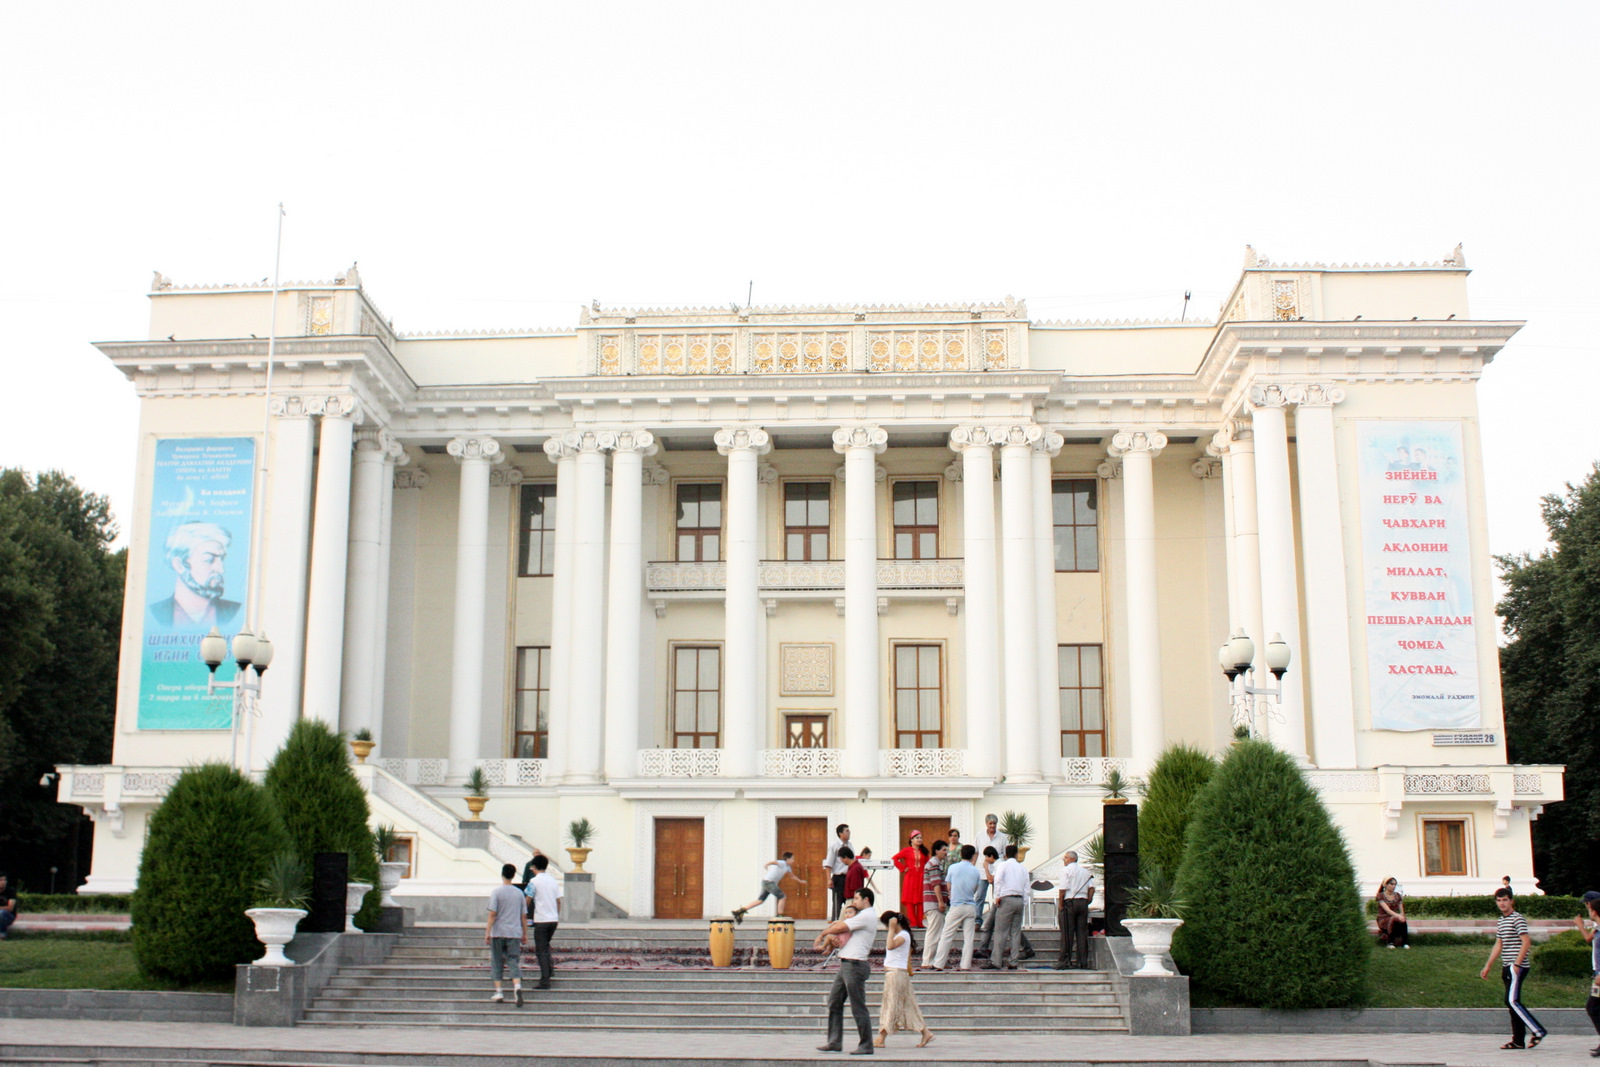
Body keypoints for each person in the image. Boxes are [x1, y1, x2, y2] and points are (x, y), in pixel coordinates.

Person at [814, 887, 878, 1055]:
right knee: (834, 1001)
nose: (854, 902)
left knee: (858, 1006)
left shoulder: (867, 915)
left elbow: (840, 926)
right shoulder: (862, 916)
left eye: (857, 898)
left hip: (855, 965)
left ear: (866, 900)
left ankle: (866, 1044)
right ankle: (834, 1042)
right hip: (847, 964)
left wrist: (822, 934)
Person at [1480, 886, 1546, 1050]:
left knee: (1512, 1001)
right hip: (1507, 966)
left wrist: (1517, 964)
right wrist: (1488, 965)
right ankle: (1518, 1041)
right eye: (1499, 900)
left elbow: (1526, 942)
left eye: (1505, 900)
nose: (1502, 903)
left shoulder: (1518, 918)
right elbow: (1499, 944)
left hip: (1517, 966)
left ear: (1511, 901)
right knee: (1512, 1004)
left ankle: (1538, 1031)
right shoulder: (1502, 920)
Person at [148, 522, 242, 630]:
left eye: (222, 559)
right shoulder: (156, 613)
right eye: (209, 560)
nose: (221, 569)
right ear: (179, 565)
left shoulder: (234, 612)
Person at [875, 910, 934, 1049]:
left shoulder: (903, 935)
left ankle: (881, 1037)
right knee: (908, 1005)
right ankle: (925, 1032)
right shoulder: (902, 935)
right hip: (897, 974)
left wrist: (891, 928)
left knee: (890, 1005)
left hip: (896, 974)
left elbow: (890, 945)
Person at [484, 862, 527, 1005]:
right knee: (513, 960)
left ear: (502, 874)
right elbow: (523, 916)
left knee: (497, 961)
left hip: (498, 932)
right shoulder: (519, 893)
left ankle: (499, 992)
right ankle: (517, 987)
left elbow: (492, 914)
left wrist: (487, 932)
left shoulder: (497, 892)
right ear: (514, 875)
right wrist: (524, 933)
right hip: (514, 932)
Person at [933, 844, 980, 971]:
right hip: (970, 906)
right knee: (969, 938)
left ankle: (939, 963)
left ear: (961, 854)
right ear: (972, 856)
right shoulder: (976, 871)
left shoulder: (953, 868)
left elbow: (948, 886)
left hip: (956, 905)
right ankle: (965, 965)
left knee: (947, 935)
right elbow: (976, 888)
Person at [984, 844, 1029, 970]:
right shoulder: (1022, 868)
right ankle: (1013, 961)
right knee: (1015, 932)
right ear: (1016, 854)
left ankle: (996, 961)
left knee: (1001, 931)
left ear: (1005, 855)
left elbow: (997, 880)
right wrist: (1024, 902)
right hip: (1019, 899)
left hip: (1006, 899)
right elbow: (1027, 887)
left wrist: (997, 896)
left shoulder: (1003, 865)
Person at [733, 850, 806, 923]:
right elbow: (774, 862)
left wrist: (800, 881)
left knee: (760, 900)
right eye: (792, 859)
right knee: (782, 897)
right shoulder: (782, 863)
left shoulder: (788, 867)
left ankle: (740, 911)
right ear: (787, 859)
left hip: (766, 882)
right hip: (769, 883)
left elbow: (792, 876)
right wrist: (767, 864)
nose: (793, 861)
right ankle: (780, 915)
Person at [524, 853, 562, 990]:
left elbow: (527, 900)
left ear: (534, 867)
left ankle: (545, 980)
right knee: (545, 945)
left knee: (541, 950)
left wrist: (522, 915)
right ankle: (550, 970)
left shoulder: (534, 881)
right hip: (553, 919)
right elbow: (558, 901)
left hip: (541, 920)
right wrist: (556, 915)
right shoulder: (553, 880)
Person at [1055, 850, 1095, 969]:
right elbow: (1092, 888)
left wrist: (1061, 904)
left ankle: (1064, 961)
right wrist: (1088, 900)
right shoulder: (1085, 871)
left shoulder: (1066, 870)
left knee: (1067, 933)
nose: (1064, 860)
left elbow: (1063, 889)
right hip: (1082, 903)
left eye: (1066, 858)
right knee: (1082, 933)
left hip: (1070, 902)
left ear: (1073, 859)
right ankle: (1082, 961)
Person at [1574, 890, 1600, 1057]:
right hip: (1597, 974)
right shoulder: (1598, 926)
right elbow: (1589, 939)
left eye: (1587, 906)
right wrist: (1581, 926)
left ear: (1592, 908)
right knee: (1594, 1007)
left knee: (1593, 1006)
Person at [973, 815, 1008, 919]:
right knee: (980, 896)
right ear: (986, 824)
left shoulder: (1002, 837)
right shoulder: (980, 835)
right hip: (982, 871)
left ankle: (997, 919)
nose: (992, 826)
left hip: (998, 871)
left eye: (994, 824)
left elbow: (1005, 855)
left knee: (997, 896)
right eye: (990, 824)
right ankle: (977, 920)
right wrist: (972, 866)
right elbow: (976, 852)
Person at [920, 840, 949, 967]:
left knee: (936, 932)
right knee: (934, 933)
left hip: (932, 903)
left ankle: (934, 960)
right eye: (944, 850)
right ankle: (928, 960)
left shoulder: (934, 864)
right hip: (933, 903)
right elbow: (936, 884)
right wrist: (940, 902)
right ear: (936, 851)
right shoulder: (934, 864)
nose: (946, 852)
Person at [892, 831, 926, 929]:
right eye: (917, 838)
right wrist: (903, 868)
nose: (919, 839)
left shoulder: (924, 851)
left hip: (921, 878)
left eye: (920, 838)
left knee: (920, 901)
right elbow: (894, 859)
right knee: (910, 901)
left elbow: (927, 863)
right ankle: (913, 922)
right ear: (911, 840)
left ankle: (920, 922)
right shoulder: (906, 850)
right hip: (910, 878)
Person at [825, 824, 852, 921]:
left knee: (849, 901)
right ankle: (835, 921)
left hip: (849, 877)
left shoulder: (850, 845)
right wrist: (829, 879)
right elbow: (829, 864)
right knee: (838, 902)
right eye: (847, 831)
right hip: (839, 877)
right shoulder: (834, 846)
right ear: (840, 833)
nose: (849, 833)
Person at [1375, 877, 1408, 949]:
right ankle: (1390, 942)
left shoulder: (1398, 895)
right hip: (1383, 918)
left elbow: (1401, 909)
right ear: (1385, 885)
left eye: (1395, 885)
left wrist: (1402, 916)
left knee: (1402, 920)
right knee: (1394, 919)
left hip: (1395, 916)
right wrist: (1398, 916)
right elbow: (1387, 910)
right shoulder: (1380, 896)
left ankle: (1404, 943)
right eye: (1391, 884)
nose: (1393, 886)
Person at [0, 873, 17, 940]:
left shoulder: (10, 891)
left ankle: (2, 934)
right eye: (1, 880)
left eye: (5, 880)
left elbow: (10, 908)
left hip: (8, 915)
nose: (3, 882)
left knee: (1, 913)